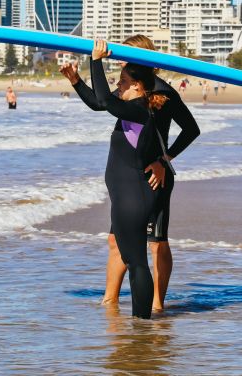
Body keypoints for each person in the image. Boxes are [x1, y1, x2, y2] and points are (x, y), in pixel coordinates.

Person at [61, 35, 199, 313]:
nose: (119, 59)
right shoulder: (131, 88)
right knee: (117, 241)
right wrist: (76, 81)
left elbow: (191, 130)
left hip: (151, 177)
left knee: (156, 244)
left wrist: (164, 158)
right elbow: (101, 103)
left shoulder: (163, 92)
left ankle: (157, 304)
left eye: (124, 54)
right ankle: (110, 300)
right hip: (131, 176)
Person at [83, 39, 170, 319]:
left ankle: (142, 324)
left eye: (122, 80)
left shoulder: (139, 110)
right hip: (127, 197)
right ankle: (140, 323)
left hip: (133, 198)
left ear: (137, 85)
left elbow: (106, 101)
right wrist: (76, 80)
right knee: (134, 260)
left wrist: (95, 61)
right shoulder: (133, 109)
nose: (118, 84)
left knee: (136, 262)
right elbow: (100, 101)